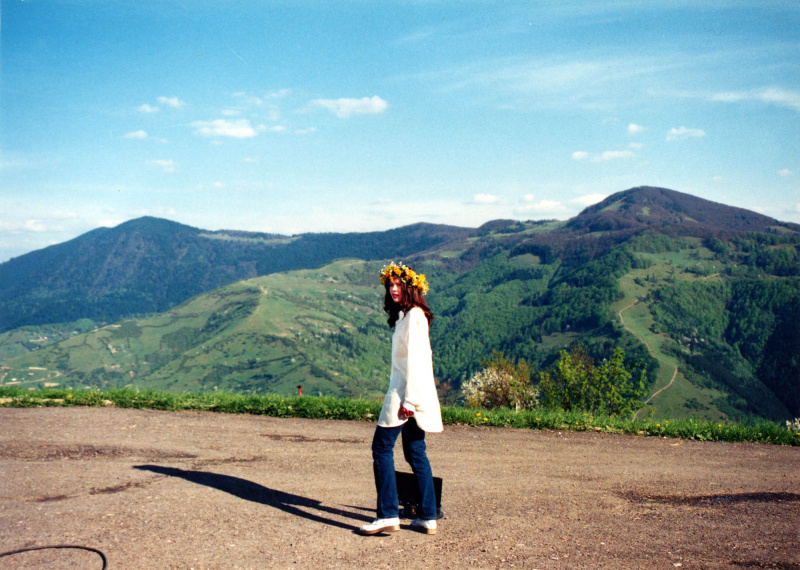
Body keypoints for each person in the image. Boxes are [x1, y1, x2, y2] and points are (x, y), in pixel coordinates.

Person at [359, 262, 443, 536]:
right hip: (408, 394)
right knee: (415, 452)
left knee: (381, 449)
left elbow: (419, 361)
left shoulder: (415, 316)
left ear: (410, 287)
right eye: (390, 285)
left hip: (405, 395)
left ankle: (387, 515)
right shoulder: (405, 316)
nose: (394, 289)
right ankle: (428, 516)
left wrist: (411, 401)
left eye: (398, 285)